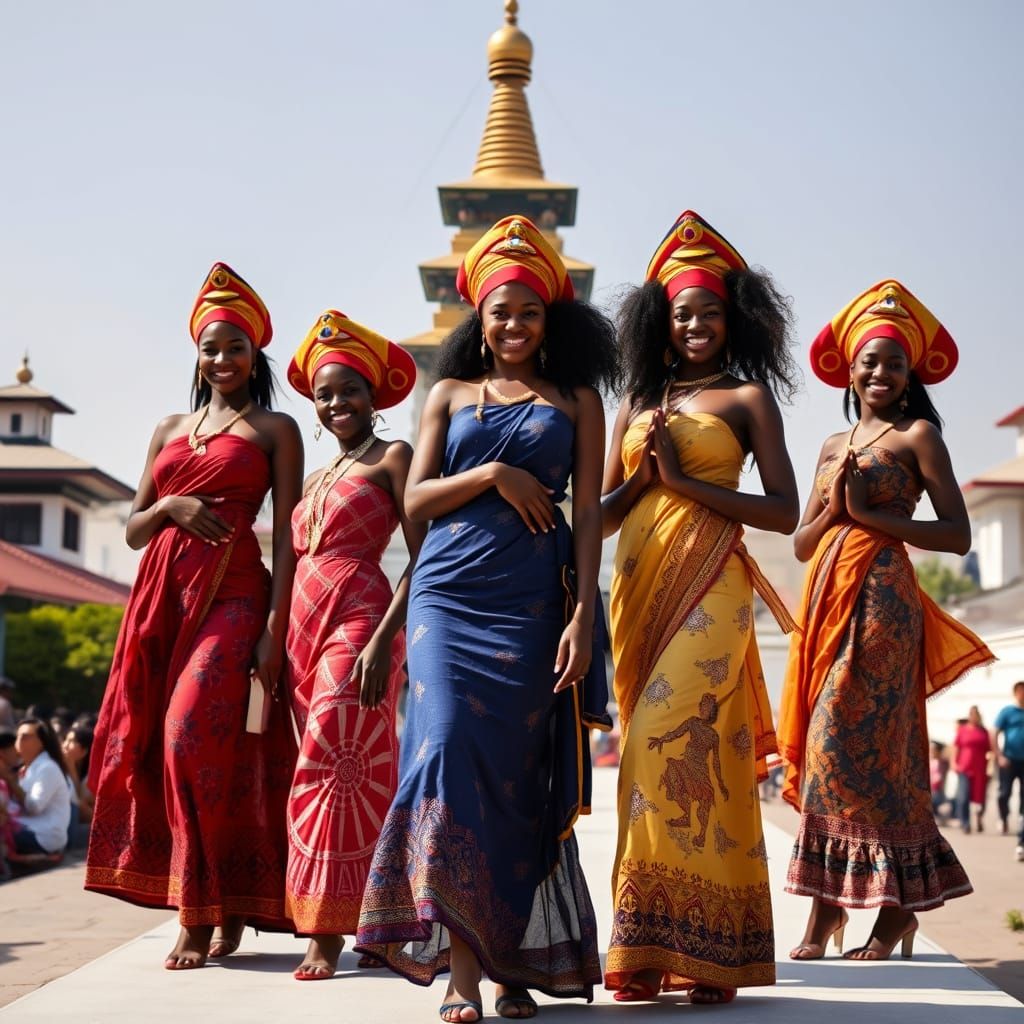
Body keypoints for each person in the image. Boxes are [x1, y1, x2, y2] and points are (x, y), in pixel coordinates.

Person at [356, 215, 618, 1023]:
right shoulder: (449, 394)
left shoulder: (577, 399)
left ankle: (509, 964)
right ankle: (461, 974)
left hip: (534, 604)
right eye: (499, 312)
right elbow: (417, 498)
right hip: (448, 593)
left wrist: (583, 614)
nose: (512, 325)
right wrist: (497, 471)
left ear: (550, 321)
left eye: (529, 312)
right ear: (480, 318)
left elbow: (586, 520)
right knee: (441, 755)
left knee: (517, 783)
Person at [601, 210, 799, 1006]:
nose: (694, 325)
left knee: (676, 741)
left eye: (709, 312)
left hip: (711, 583)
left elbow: (784, 512)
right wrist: (641, 483)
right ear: (661, 320)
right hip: (637, 586)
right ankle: (656, 947)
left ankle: (709, 945)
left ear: (732, 318)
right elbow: (606, 512)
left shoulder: (748, 398)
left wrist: (686, 485)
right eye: (682, 313)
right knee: (662, 762)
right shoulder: (637, 396)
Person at [85, 262, 302, 969]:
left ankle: (196, 912)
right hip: (161, 601)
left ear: (255, 356)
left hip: (236, 595)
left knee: (187, 735)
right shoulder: (170, 426)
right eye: (210, 348)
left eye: (235, 347)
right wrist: (171, 507)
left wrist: (276, 626)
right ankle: (223, 902)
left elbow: (289, 534)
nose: (222, 359)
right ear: (197, 356)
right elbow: (133, 528)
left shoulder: (276, 428)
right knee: (183, 749)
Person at [778, 279, 994, 962]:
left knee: (866, 748)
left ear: (909, 376)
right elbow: (803, 542)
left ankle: (881, 910)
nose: (879, 372)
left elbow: (958, 533)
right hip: (824, 598)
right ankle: (837, 910)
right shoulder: (830, 444)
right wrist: (836, 507)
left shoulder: (918, 435)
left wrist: (870, 516)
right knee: (823, 755)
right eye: (869, 361)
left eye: (893, 363)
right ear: (850, 369)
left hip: (883, 606)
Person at [283, 311, 424, 980]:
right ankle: (375, 917)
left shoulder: (394, 458)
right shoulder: (312, 478)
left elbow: (423, 557)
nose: (338, 403)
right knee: (322, 772)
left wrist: (383, 638)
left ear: (375, 397)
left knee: (337, 762)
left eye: (350, 391)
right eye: (326, 395)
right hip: (300, 632)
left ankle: (328, 931)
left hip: (361, 620)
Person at [0, 718, 71, 858]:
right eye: (18, 736)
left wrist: (9, 780)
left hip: (43, 835)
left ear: (41, 742)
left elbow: (34, 807)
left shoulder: (47, 767)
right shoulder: (29, 767)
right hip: (27, 827)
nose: (19, 741)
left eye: (25, 737)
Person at [993, 681, 1024, 858]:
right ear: (1015, 693)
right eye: (1020, 691)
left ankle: (1021, 833)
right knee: (1004, 793)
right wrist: (999, 755)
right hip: (1009, 760)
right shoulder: (1007, 712)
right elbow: (994, 732)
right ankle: (1003, 818)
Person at [953, 707, 992, 834]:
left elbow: (990, 751)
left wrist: (990, 767)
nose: (974, 717)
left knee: (980, 798)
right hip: (964, 767)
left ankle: (979, 818)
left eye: (976, 714)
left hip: (980, 769)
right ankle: (966, 823)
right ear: (969, 716)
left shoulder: (984, 732)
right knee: (964, 796)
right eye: (972, 714)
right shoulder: (963, 730)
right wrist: (954, 762)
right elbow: (956, 747)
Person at [63, 723, 94, 848]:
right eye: (65, 739)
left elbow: (80, 807)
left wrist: (70, 766)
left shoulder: (91, 778)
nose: (65, 745)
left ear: (84, 750)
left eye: (71, 741)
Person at [930, 740, 954, 820]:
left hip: (939, 790)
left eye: (933, 750)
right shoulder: (930, 761)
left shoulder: (943, 762)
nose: (931, 751)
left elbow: (950, 754)